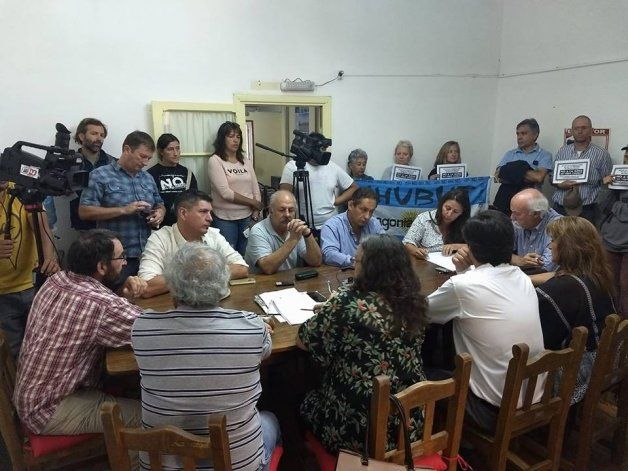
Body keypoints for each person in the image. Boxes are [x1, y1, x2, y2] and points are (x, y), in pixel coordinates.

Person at [133, 244, 280, 471]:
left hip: (162, 466)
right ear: (223, 284)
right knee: (270, 419)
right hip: (237, 465)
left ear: (172, 284)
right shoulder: (251, 328)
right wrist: (255, 328)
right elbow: (265, 351)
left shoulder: (142, 328)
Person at [298, 234, 427, 453]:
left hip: (358, 431)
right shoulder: (414, 302)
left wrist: (331, 307)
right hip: (408, 425)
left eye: (357, 262)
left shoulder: (347, 302)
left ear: (371, 269)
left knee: (299, 397)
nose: (353, 267)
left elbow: (304, 341)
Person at [13, 229, 145, 436]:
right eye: (121, 257)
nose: (125, 262)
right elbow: (153, 330)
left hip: (31, 396)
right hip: (49, 410)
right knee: (149, 417)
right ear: (101, 266)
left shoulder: (56, 279)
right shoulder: (101, 305)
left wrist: (122, 296)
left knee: (128, 383)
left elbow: (103, 314)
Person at [427, 210, 545, 432]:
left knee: (423, 371)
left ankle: (443, 440)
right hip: (533, 398)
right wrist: (465, 272)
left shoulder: (464, 285)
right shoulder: (522, 277)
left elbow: (420, 313)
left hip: (491, 410)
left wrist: (462, 274)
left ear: (470, 248)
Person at [536, 217, 616, 402]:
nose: (549, 245)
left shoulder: (559, 290)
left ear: (568, 247)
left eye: (553, 240)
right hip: (606, 358)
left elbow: (543, 342)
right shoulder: (597, 274)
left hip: (579, 372)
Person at [79, 131, 166, 278]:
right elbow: (84, 211)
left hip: (147, 255)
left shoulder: (147, 178)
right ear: (127, 150)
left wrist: (160, 213)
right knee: (119, 292)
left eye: (149, 158)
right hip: (116, 258)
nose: (145, 163)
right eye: (142, 156)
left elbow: (160, 204)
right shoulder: (100, 175)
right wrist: (124, 210)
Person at [138, 189, 248, 298]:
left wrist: (191, 276)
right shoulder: (160, 238)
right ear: (183, 213)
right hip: (174, 306)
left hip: (213, 302)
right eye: (203, 212)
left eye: (210, 212)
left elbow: (242, 268)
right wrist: (204, 273)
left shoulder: (213, 234)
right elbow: (146, 286)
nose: (210, 218)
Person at [0, 181, 59, 357]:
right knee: (13, 351)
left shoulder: (21, 192)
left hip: (32, 285)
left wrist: (49, 259)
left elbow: (42, 228)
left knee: (44, 344)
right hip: (3, 295)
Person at [279, 133, 357, 230]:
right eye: (320, 149)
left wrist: (335, 201)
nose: (323, 152)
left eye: (324, 149)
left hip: (330, 225)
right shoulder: (292, 166)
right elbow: (283, 197)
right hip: (301, 226)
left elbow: (354, 188)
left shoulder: (332, 167)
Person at [208, 121, 262, 256]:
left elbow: (255, 188)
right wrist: (253, 202)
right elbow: (225, 193)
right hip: (224, 219)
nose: (235, 140)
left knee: (247, 255)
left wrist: (255, 213)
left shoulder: (245, 160)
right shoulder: (215, 160)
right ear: (222, 139)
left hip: (248, 217)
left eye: (238, 136)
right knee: (229, 257)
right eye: (231, 136)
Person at [552, 115, 612, 224]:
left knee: (584, 236)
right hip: (560, 207)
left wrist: (600, 206)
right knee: (557, 235)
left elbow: (607, 183)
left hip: (587, 209)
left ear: (591, 130)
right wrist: (559, 185)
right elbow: (552, 177)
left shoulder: (602, 154)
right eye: (576, 128)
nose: (580, 131)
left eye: (584, 128)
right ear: (572, 131)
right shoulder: (562, 151)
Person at [245, 190, 322, 274]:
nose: (287, 214)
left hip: (289, 280)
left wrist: (307, 234)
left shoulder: (295, 228)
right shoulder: (258, 231)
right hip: (262, 281)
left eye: (291, 210)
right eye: (282, 210)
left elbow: (316, 262)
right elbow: (267, 268)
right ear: (270, 211)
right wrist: (293, 239)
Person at [320, 187, 384, 267]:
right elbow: (329, 255)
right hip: (340, 273)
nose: (367, 216)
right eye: (363, 210)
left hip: (369, 272)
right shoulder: (332, 226)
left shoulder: (374, 223)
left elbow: (385, 248)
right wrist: (356, 262)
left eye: (371, 211)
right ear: (350, 205)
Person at [403, 188, 470, 260]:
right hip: (426, 262)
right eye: (447, 208)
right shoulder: (424, 218)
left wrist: (456, 246)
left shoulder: (466, 224)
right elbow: (407, 243)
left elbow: (476, 247)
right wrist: (416, 251)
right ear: (442, 204)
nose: (449, 214)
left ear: (462, 213)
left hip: (454, 263)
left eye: (455, 212)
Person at [600, 146, 628, 317]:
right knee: (609, 283)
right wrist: (606, 187)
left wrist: (615, 206)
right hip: (611, 240)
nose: (626, 160)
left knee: (626, 285)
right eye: (626, 157)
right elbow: (602, 206)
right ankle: (612, 323)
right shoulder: (617, 180)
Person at [148, 133, 198, 227]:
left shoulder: (187, 173)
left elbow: (194, 199)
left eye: (177, 148)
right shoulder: (151, 174)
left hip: (184, 223)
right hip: (161, 224)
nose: (175, 153)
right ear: (161, 151)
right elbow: (150, 201)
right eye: (170, 149)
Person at [510, 188, 561, 272]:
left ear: (536, 214)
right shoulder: (517, 222)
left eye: (517, 214)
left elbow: (546, 268)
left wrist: (514, 260)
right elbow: (497, 254)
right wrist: (519, 260)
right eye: (512, 212)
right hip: (522, 275)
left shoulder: (558, 226)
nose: (512, 217)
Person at [495, 118, 553, 188]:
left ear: (535, 135)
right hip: (507, 193)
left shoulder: (545, 155)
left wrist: (510, 171)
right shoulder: (510, 154)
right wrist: (527, 173)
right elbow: (497, 176)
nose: (519, 137)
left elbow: (538, 177)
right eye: (517, 134)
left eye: (523, 133)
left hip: (530, 194)